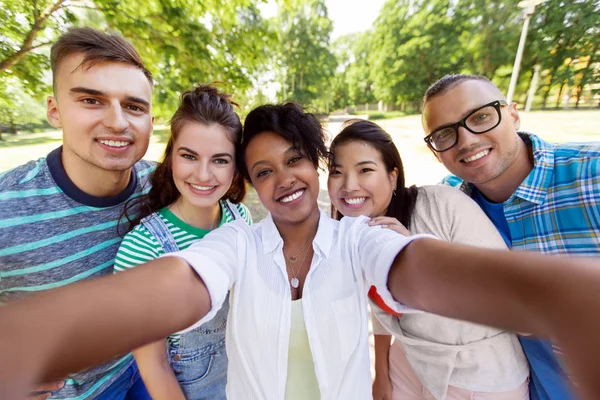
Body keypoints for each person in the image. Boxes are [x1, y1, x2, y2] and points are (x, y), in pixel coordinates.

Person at [2, 104, 600, 400]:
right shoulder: (236, 237)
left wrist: (556, 294)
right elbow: (185, 284)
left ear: (316, 167)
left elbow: (414, 267)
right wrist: (46, 334)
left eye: (293, 161)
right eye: (263, 171)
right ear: (252, 185)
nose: (283, 180)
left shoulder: (356, 235)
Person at [422, 73, 600, 400]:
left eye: (481, 117)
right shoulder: (446, 205)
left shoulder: (592, 176)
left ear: (513, 114)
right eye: (445, 134)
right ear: (437, 153)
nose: (467, 140)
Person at [0, 27, 154, 399]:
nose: (118, 121)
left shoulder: (161, 184)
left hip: (145, 364)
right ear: (55, 111)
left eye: (134, 106)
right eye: (91, 100)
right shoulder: (7, 209)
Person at [327, 119, 529, 400]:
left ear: (393, 176)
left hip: (479, 372)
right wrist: (381, 374)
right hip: (410, 360)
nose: (349, 186)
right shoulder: (353, 232)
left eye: (365, 170)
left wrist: (415, 256)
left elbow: (513, 302)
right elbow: (380, 310)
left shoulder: (442, 205)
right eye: (337, 172)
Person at [114, 84, 252, 399]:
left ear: (236, 166)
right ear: (172, 157)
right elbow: (154, 366)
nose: (203, 175)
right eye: (189, 156)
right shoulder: (143, 247)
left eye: (220, 160)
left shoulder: (240, 217)